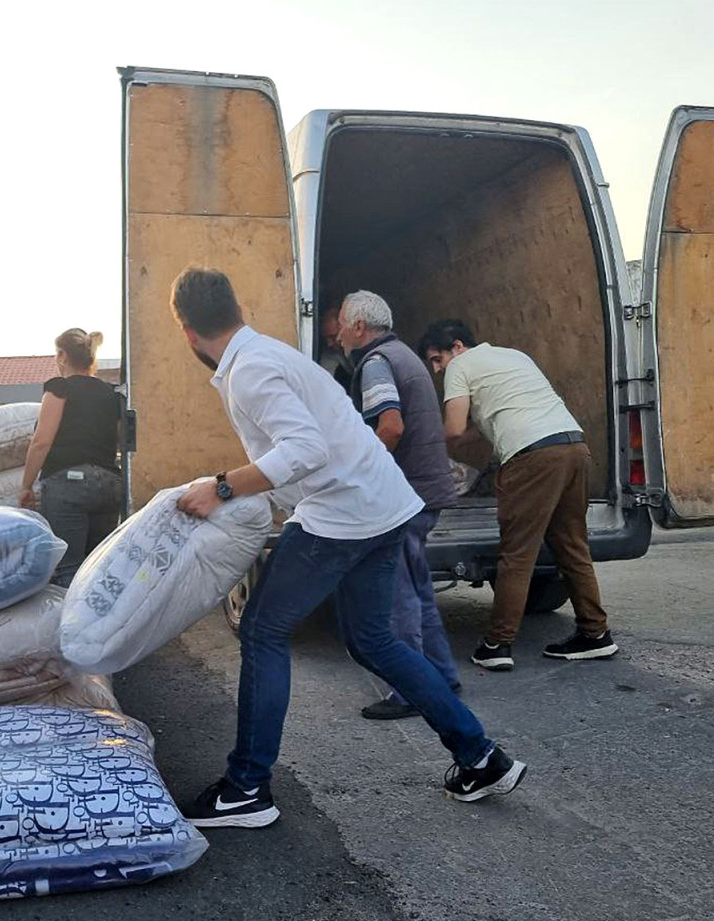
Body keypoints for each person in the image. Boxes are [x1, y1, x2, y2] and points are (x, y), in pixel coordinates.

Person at [169, 267, 525, 829]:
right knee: (375, 641)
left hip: (344, 515)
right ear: (236, 309)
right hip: (380, 507)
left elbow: (304, 449)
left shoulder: (250, 371)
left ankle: (245, 789)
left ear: (187, 332)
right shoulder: (270, 354)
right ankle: (479, 756)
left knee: (262, 630)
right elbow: (313, 445)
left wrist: (220, 487)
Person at [418, 319, 617, 671]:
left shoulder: (460, 366)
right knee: (572, 546)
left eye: (437, 359)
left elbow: (453, 428)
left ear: (457, 346)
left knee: (517, 554)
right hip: (573, 446)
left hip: (532, 459)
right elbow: (503, 414)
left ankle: (497, 643)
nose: (436, 369)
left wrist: (420, 445)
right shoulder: (514, 356)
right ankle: (595, 633)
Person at [336, 290, 461, 720]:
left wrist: (359, 473)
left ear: (357, 326)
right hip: (426, 491)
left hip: (405, 495)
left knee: (399, 596)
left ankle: (409, 691)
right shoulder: (403, 354)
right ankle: (442, 675)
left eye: (339, 324)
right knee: (419, 587)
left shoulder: (375, 364)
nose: (336, 335)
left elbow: (389, 425)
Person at [20, 328, 123, 587]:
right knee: (98, 567)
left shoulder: (59, 388)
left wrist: (26, 486)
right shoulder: (111, 394)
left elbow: (42, 441)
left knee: (68, 571)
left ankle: (72, 626)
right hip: (109, 485)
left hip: (68, 485)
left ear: (63, 356)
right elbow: (121, 442)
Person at [318, 304, 354, 394]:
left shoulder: (365, 347)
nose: (329, 344)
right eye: (325, 338)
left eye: (333, 337)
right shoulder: (331, 352)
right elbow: (325, 381)